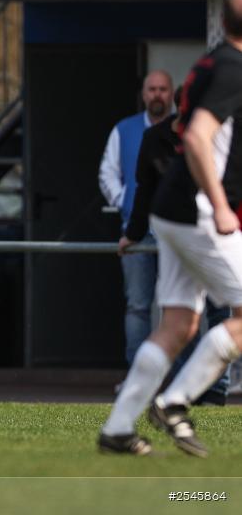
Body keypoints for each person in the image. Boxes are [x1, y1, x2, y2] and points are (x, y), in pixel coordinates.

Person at [99, 0, 242, 457]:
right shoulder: (231, 69)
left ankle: (118, 428)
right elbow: (198, 138)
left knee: (178, 322)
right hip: (199, 212)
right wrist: (221, 204)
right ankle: (175, 400)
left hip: (172, 210)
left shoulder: (212, 61)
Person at [118, 87, 231, 407]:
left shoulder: (217, 133)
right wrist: (134, 232)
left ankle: (212, 389)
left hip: (206, 234)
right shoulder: (158, 138)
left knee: (210, 314)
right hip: (182, 235)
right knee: (185, 319)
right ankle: (185, 390)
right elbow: (144, 188)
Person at [100, 70, 174, 366]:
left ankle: (178, 380)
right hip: (136, 229)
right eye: (152, 89)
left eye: (163, 89)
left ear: (171, 94)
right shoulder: (124, 130)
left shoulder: (184, 130)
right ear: (144, 94)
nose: (157, 94)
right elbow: (107, 173)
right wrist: (125, 201)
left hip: (176, 231)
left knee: (177, 307)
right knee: (138, 306)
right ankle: (137, 376)